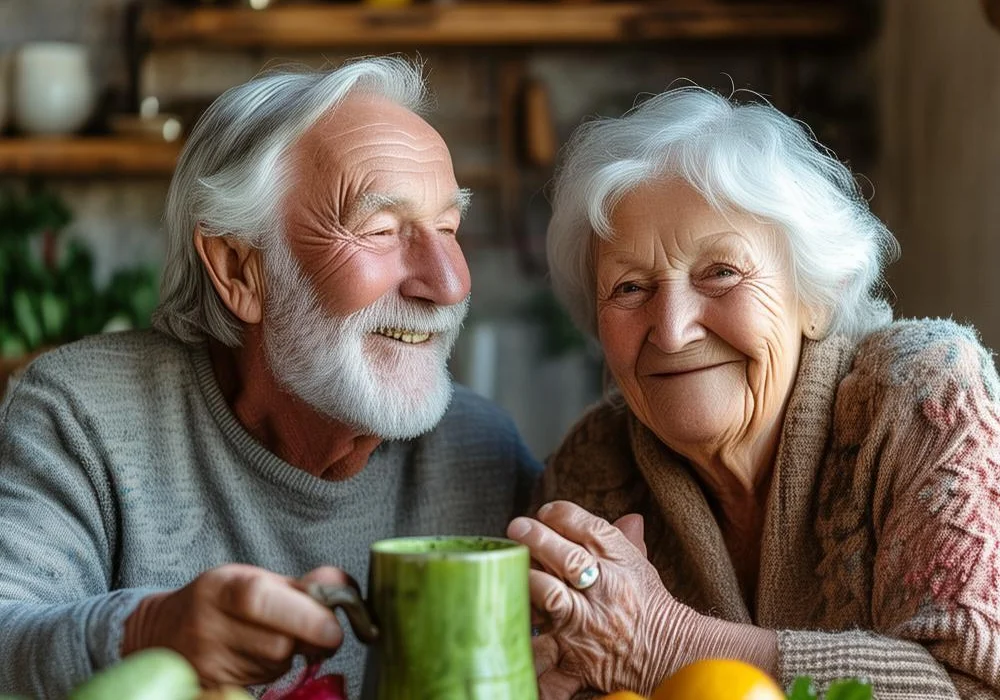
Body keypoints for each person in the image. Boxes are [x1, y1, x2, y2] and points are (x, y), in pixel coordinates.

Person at [0, 57, 540, 699]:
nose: (449, 284)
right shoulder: (82, 414)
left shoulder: (481, 450)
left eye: (449, 228)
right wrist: (147, 630)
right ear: (239, 269)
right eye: (379, 230)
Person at [506, 86, 1000, 699]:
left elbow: (973, 686)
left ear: (816, 296)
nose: (672, 329)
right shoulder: (596, 465)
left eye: (721, 273)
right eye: (630, 288)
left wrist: (668, 645)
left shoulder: (926, 396)